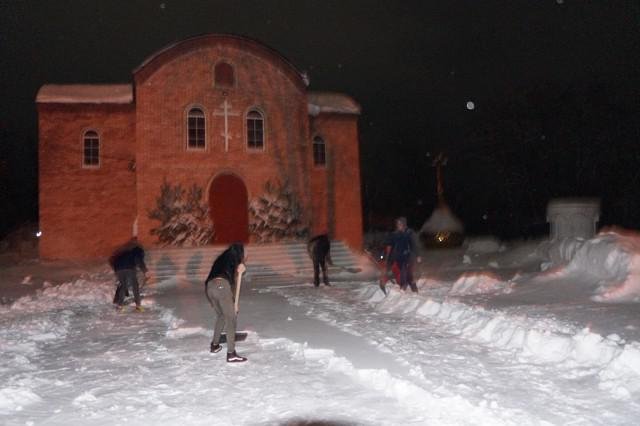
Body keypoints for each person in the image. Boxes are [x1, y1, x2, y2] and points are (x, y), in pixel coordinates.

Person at [204, 242, 247, 363]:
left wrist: (233, 302)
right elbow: (229, 282)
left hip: (210, 287)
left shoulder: (221, 259)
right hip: (221, 286)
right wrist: (242, 265)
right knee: (231, 318)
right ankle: (231, 353)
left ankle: (215, 345)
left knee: (221, 316)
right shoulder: (233, 258)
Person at [110, 237, 148, 312]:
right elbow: (139, 260)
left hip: (119, 269)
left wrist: (116, 269)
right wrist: (145, 271)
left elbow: (112, 260)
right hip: (129, 268)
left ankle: (119, 306)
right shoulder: (137, 249)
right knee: (135, 287)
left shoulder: (124, 250)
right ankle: (138, 306)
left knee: (123, 286)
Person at [384, 217, 421, 293]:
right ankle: (414, 288)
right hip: (399, 257)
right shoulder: (395, 234)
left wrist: (418, 255)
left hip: (408, 256)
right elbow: (390, 244)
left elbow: (414, 245)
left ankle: (403, 287)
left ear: (404, 224)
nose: (398, 225)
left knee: (404, 270)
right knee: (408, 274)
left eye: (400, 224)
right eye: (397, 224)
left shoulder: (409, 233)